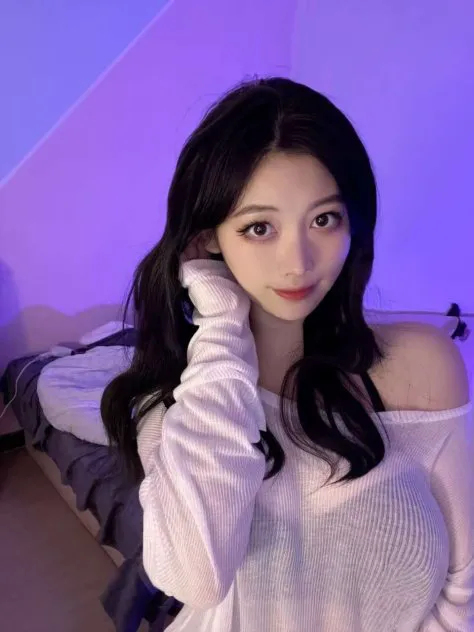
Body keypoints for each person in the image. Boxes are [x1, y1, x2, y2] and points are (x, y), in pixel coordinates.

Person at [101, 77, 473, 631]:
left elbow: (463, 585)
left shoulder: (423, 366)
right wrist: (221, 322)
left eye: (324, 219)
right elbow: (194, 579)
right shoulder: (180, 406)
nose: (298, 262)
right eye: (259, 228)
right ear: (207, 240)